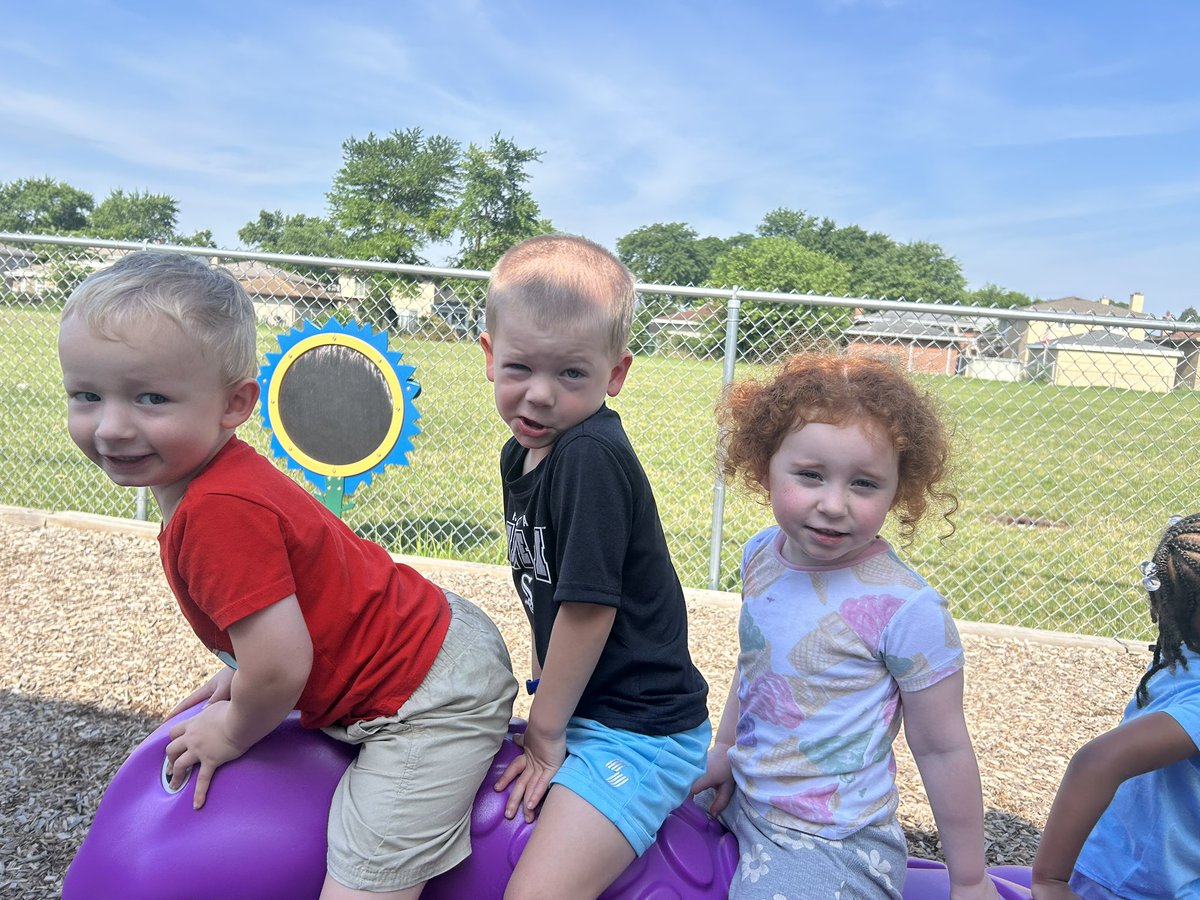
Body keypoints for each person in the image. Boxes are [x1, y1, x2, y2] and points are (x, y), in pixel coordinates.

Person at [57, 250, 518, 900]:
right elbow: (291, 601)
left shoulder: (217, 511)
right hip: (425, 635)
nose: (110, 426)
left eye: (150, 397)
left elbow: (281, 668)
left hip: (425, 696)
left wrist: (236, 725)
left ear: (235, 403)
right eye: (86, 395)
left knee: (366, 876)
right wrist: (244, 662)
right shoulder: (215, 485)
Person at [691, 352, 997, 900]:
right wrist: (723, 752)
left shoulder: (907, 609)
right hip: (744, 796)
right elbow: (756, 667)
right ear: (765, 467)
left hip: (833, 841)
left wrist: (970, 880)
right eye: (810, 476)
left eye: (864, 484)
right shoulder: (763, 555)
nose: (833, 504)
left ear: (899, 489)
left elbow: (943, 748)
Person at [479, 234, 711, 900]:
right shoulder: (521, 454)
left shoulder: (588, 457)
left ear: (615, 373)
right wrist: (544, 696)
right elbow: (543, 589)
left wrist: (545, 735)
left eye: (571, 374)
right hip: (586, 707)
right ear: (490, 358)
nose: (541, 395)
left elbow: (586, 610)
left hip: (637, 732)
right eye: (520, 367)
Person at [1031, 513, 1200, 899]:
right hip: (1144, 886)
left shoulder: (1181, 655)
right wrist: (1049, 881)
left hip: (1125, 862)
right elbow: (1098, 762)